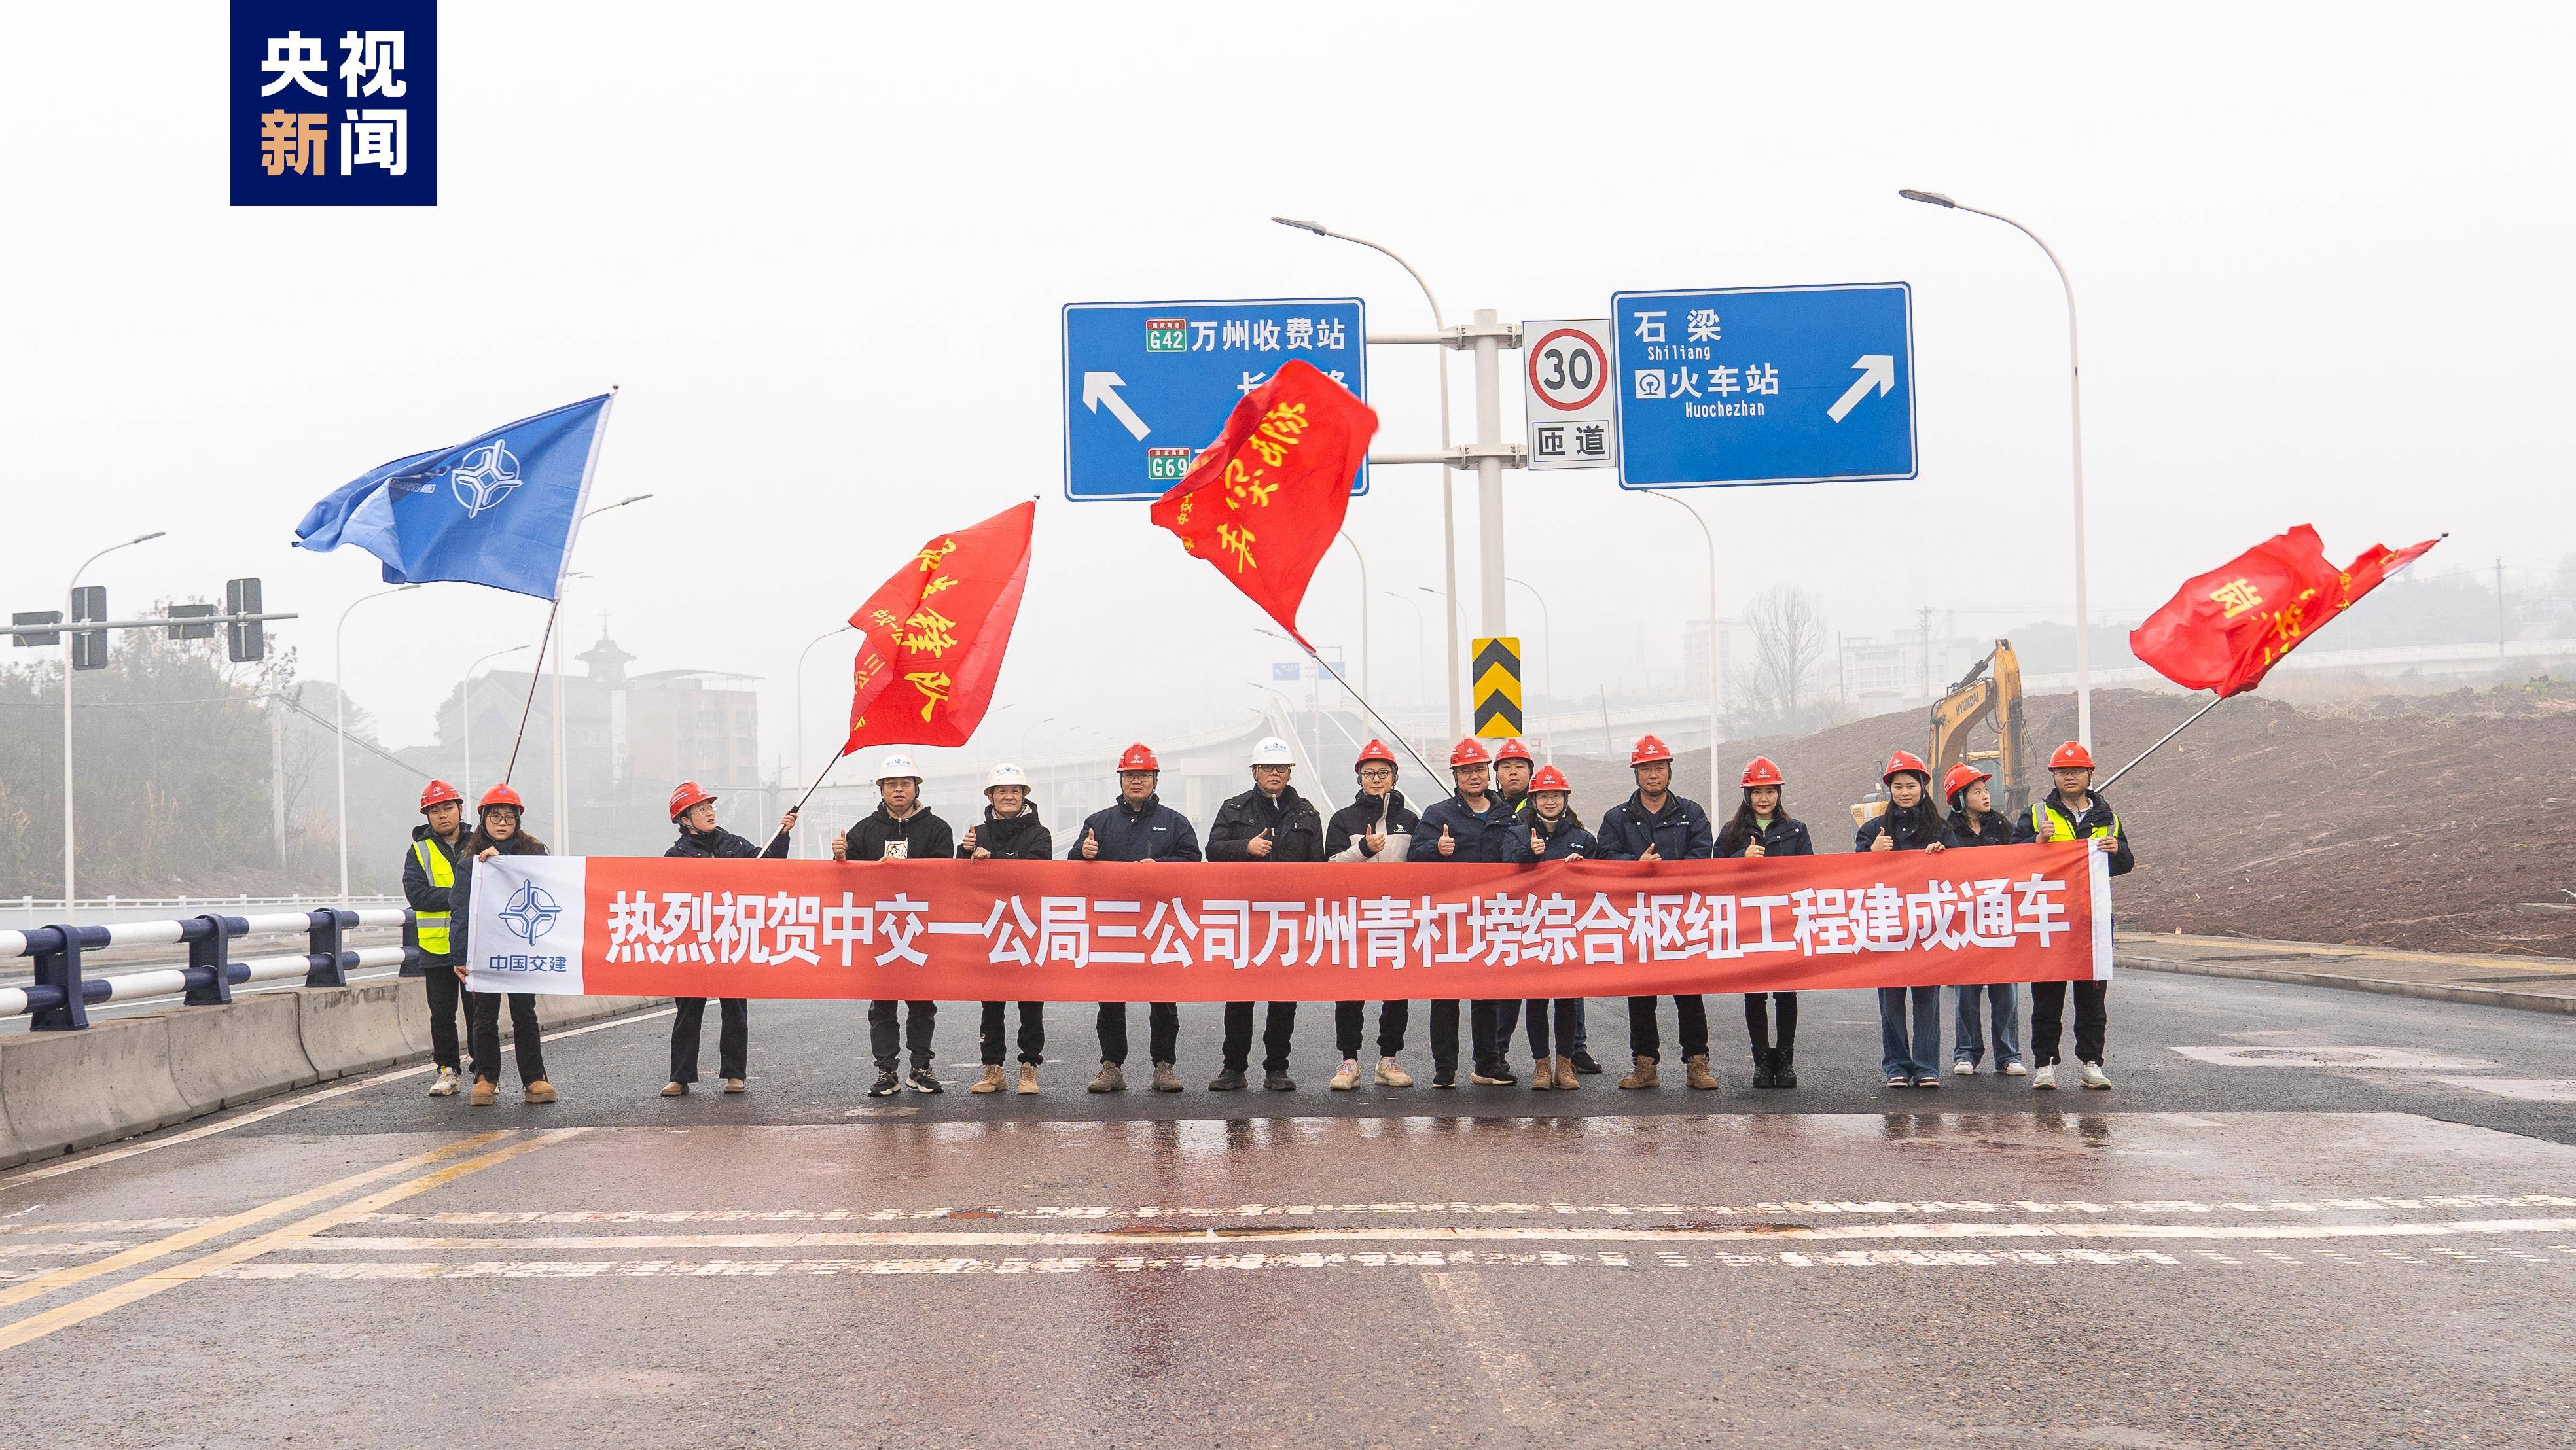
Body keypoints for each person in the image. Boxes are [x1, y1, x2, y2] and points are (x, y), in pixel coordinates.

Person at [1073, 743, 1202, 1093]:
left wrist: (1161, 868)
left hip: (1160, 924)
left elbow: (1193, 863)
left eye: (1144, 775)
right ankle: (1111, 1066)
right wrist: (1081, 854)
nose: (1136, 781)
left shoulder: (1174, 823)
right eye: (1130, 775)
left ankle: (1164, 1065)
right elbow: (1071, 869)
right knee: (1111, 999)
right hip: (1113, 924)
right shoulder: (1099, 823)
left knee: (1163, 999)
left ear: (1155, 780)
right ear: (1121, 779)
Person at [1595, 735, 1717, 1091]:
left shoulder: (1690, 813)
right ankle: (1645, 1066)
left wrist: (1667, 872)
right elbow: (1604, 857)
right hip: (1638, 917)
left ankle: (1697, 1063)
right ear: (1636, 773)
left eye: (1659, 768)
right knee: (1641, 995)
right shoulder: (1616, 817)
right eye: (1646, 768)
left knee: (1689, 993)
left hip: (1681, 916)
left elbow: (1702, 854)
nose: (1653, 775)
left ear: (1669, 771)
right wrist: (1637, 865)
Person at [660, 781, 796, 1097]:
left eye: (710, 807)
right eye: (700, 809)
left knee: (734, 1010)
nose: (709, 813)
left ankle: (735, 1074)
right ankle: (680, 1077)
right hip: (693, 941)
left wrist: (783, 834)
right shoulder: (675, 856)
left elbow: (768, 867)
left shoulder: (735, 844)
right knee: (688, 1012)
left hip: (731, 939)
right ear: (685, 820)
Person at [2012, 741, 2135, 1090]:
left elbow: (2125, 864)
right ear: (2054, 776)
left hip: (2091, 921)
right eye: (2063, 772)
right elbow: (2009, 857)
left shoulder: (2108, 818)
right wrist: (2036, 840)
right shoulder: (2037, 814)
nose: (2069, 777)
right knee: (2047, 999)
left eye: (2076, 771)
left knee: (2092, 998)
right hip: (2049, 920)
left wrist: (2117, 850)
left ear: (2089, 775)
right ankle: (2044, 1065)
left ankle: (2091, 1063)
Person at [1204, 737, 1325, 1091]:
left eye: (1282, 769)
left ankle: (1277, 1069)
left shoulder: (1307, 813)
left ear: (1290, 773)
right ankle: (1233, 1069)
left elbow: (1317, 867)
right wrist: (1246, 847)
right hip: (1245, 918)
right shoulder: (1234, 809)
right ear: (1255, 772)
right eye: (1268, 768)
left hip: (1288, 918)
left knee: (1283, 999)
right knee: (1240, 997)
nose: (1275, 774)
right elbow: (1212, 850)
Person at [835, 753, 954, 1097]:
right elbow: (847, 880)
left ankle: (921, 1067)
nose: (898, 790)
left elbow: (945, 874)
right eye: (891, 785)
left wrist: (906, 869)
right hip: (881, 929)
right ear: (881, 790)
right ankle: (886, 1071)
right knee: (882, 1004)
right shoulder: (865, 830)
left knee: (922, 1003)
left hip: (921, 928)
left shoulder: (937, 828)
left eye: (904, 784)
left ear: (916, 788)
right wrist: (842, 858)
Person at [1407, 737, 1521, 1088]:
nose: (1473, 776)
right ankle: (1445, 1069)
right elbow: (1414, 857)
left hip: (1492, 917)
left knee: (1488, 996)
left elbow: (1518, 858)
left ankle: (1488, 1064)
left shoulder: (1506, 814)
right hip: (1450, 918)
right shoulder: (1438, 814)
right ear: (1455, 775)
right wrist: (1435, 848)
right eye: (1466, 771)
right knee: (1446, 996)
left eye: (1478, 769)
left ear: (1488, 773)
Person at [450, 784, 554, 1107]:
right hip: (486, 949)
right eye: (495, 816)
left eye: (509, 817)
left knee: (525, 1013)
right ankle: (486, 1077)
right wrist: (460, 954)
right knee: (484, 1014)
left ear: (518, 821)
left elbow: (547, 887)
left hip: (523, 947)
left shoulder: (535, 853)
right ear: (483, 819)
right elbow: (461, 909)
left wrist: (503, 861)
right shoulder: (470, 862)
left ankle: (535, 1079)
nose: (502, 822)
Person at [1323, 739, 1418, 1091]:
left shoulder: (1409, 819)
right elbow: (1329, 866)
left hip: (1396, 916)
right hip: (1354, 916)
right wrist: (1362, 850)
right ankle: (1349, 1061)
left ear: (1394, 777)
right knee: (1350, 990)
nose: (1376, 779)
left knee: (1396, 991)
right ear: (1359, 778)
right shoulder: (1343, 818)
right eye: (1369, 773)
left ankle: (1389, 1059)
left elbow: (1421, 863)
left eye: (1383, 773)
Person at [1714, 756, 1812, 1089]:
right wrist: (1739, 860)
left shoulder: (1796, 830)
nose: (1764, 798)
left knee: (1786, 994)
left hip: (1786, 922)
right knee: (1755, 994)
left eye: (1770, 791)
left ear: (1779, 793)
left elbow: (1810, 875)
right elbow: (1712, 875)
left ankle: (1784, 1062)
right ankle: (1760, 1062)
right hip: (1749, 924)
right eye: (1757, 792)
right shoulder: (1731, 833)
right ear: (1747, 796)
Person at [959, 763, 1053, 1095]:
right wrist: (965, 852)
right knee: (992, 1004)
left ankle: (1029, 1067)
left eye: (1015, 791)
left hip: (1029, 926)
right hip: (992, 926)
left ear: (1025, 796)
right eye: (1002, 791)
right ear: (990, 797)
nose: (1009, 796)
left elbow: (1035, 871)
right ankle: (994, 1068)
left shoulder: (1040, 834)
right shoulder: (977, 833)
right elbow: (960, 879)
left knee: (1031, 1002)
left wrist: (994, 858)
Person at [1857, 749, 1948, 1089]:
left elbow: (1965, 875)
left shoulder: (1940, 828)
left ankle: (1927, 1067)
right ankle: (1896, 1065)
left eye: (1911, 785)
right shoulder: (1873, 830)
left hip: (1928, 927)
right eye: (1898, 786)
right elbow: (1851, 878)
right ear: (1889, 790)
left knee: (1927, 1001)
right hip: (1888, 926)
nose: (1904, 792)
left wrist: (1943, 856)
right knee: (1891, 1002)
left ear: (1923, 786)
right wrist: (1871, 855)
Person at [1506, 764, 1592, 1091]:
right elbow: (1506, 863)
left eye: (1556, 795)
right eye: (1544, 795)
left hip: (1569, 929)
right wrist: (1530, 853)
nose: (1551, 801)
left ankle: (1565, 1066)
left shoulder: (1582, 838)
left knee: (1568, 1000)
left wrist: (1584, 869)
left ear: (1565, 798)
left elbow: (1601, 876)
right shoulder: (1518, 832)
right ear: (1533, 800)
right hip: (1531, 928)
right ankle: (1542, 1067)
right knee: (1537, 1000)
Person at [1940, 762, 2023, 1079]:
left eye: (1986, 790)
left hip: (1999, 918)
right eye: (1977, 791)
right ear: (1959, 799)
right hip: (1963, 922)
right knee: (1967, 993)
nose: (1986, 796)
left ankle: (2009, 1055)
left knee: (2006, 991)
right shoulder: (1946, 831)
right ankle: (1966, 1053)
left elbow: (2021, 859)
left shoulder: (2002, 826)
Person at [401, 780, 473, 1099]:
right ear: (426, 816)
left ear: (460, 809)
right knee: (442, 1014)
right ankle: (447, 1070)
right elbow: (418, 896)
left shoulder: (480, 842)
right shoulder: (419, 850)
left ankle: (484, 1070)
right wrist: (462, 894)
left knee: (478, 1012)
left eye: (447, 807)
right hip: (436, 946)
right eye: (435, 810)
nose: (442, 815)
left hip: (474, 944)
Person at [1482, 739, 1537, 1064]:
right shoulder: (1490, 808)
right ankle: (1497, 1051)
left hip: (1543, 909)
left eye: (1520, 766)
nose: (1513, 772)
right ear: (1496, 774)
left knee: (1564, 985)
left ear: (1531, 771)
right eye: (1506, 766)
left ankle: (1576, 1050)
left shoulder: (1548, 802)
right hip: (1502, 908)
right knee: (1505, 986)